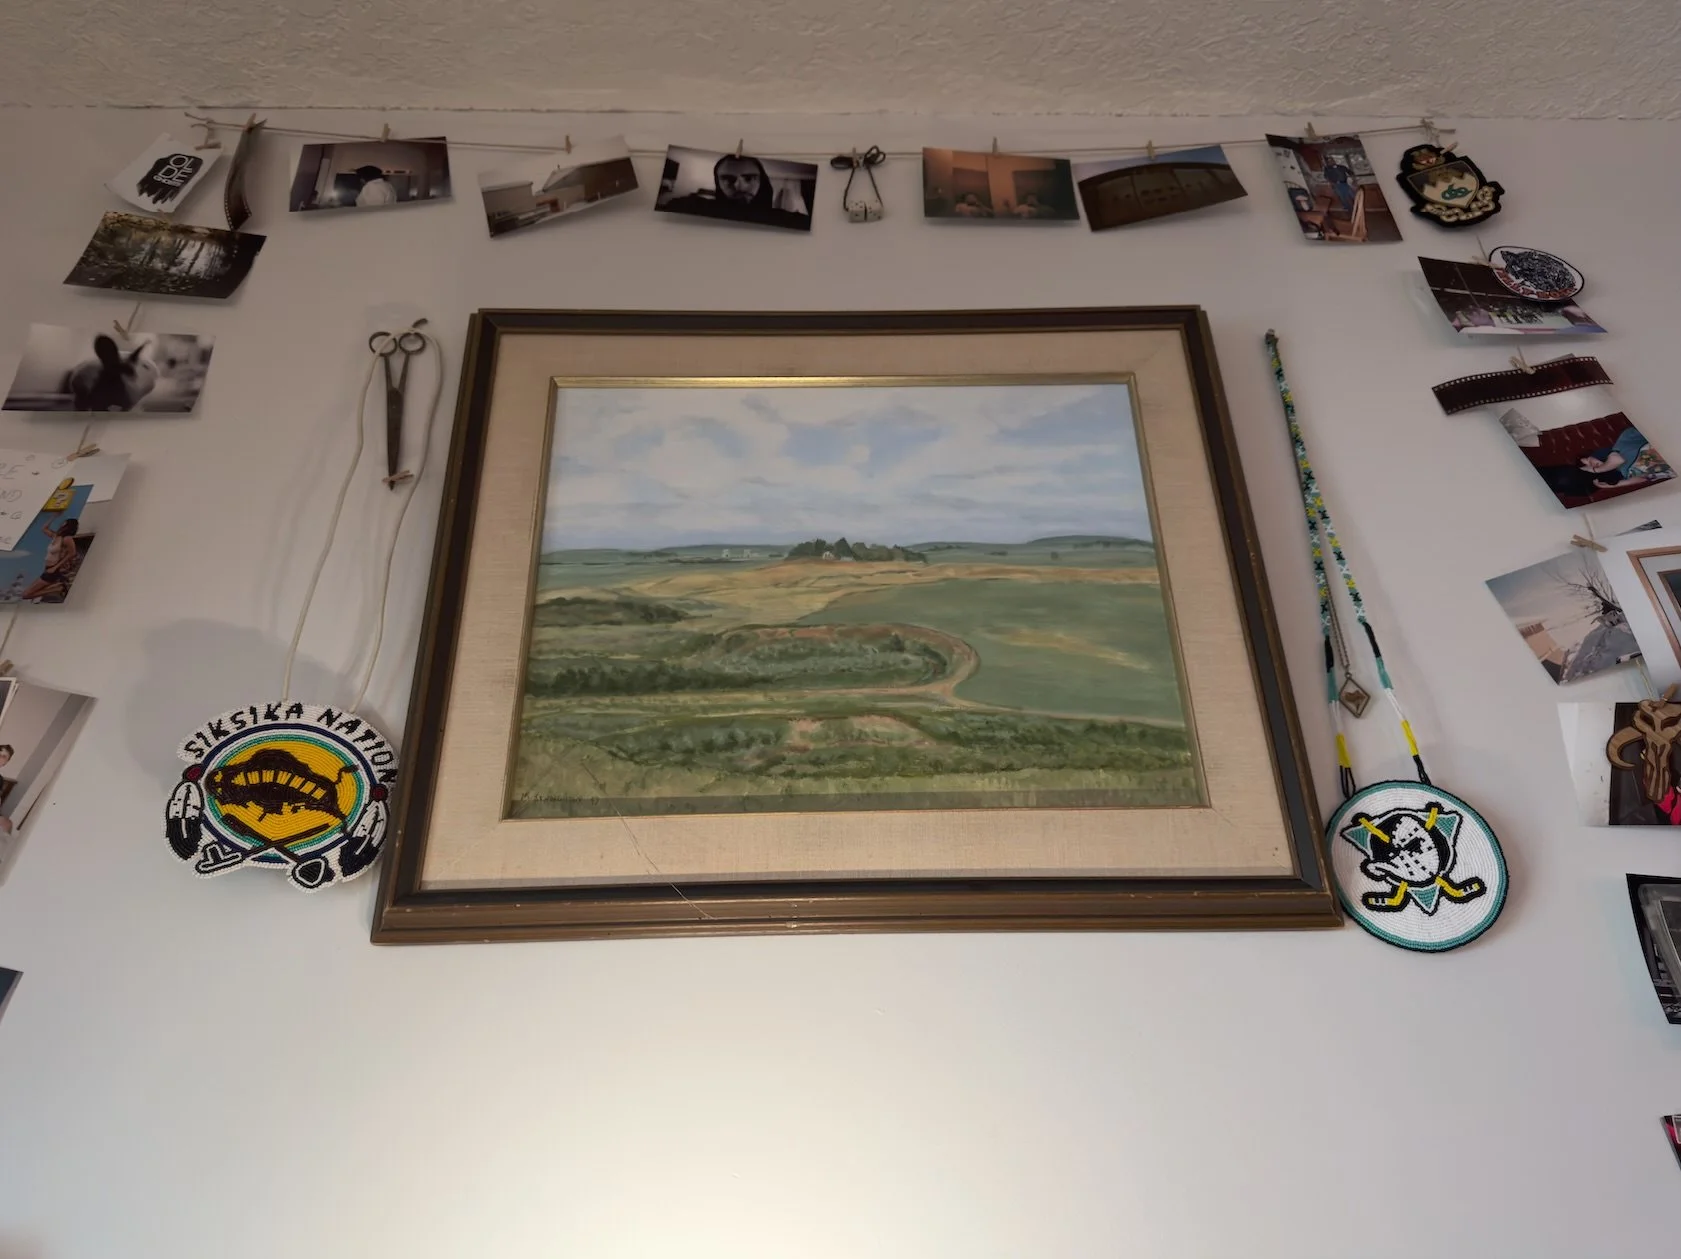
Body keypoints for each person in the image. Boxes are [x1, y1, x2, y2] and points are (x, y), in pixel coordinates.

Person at [659, 154, 809, 229]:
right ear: (718, 183)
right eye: (727, 179)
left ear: (761, 181)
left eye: (749, 178)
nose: (739, 186)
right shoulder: (690, 208)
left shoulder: (790, 222)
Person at [20, 519, 79, 602]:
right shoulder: (56, 536)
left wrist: (55, 567)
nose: (62, 524)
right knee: (27, 593)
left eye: (64, 523)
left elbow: (72, 553)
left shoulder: (67, 539)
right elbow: (44, 528)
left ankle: (58, 588)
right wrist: (54, 517)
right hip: (48, 568)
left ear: (68, 526)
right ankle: (57, 588)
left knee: (25, 595)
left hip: (53, 569)